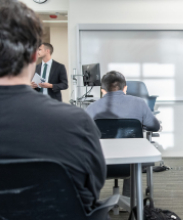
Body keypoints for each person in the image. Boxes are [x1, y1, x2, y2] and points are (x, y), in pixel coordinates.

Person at [0, 0, 106, 215]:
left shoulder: (59, 69)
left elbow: (63, 85)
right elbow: (92, 189)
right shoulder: (76, 122)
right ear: (33, 55)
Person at [86, 70, 161, 197]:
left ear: (102, 90)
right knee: (133, 152)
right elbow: (154, 126)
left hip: (102, 162)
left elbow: (85, 133)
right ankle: (129, 199)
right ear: (125, 88)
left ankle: (93, 201)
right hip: (132, 163)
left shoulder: (92, 107)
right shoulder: (139, 103)